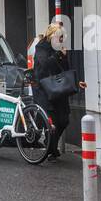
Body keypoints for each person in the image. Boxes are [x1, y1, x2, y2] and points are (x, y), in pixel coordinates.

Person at [32, 21, 86, 159]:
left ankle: (50, 145)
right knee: (53, 122)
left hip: (58, 89)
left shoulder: (59, 48)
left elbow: (65, 69)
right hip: (44, 89)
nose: (61, 40)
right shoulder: (42, 47)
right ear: (52, 36)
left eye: (62, 38)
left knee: (64, 120)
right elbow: (44, 66)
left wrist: (76, 81)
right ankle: (51, 148)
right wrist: (57, 55)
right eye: (59, 37)